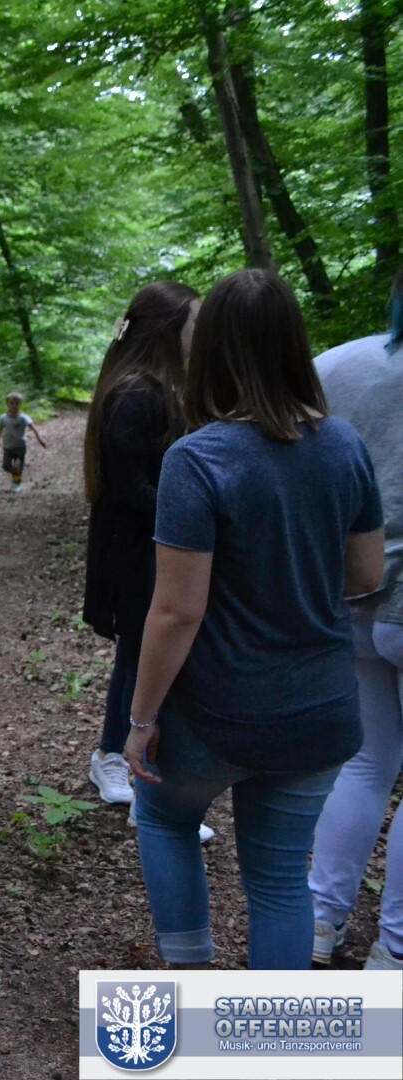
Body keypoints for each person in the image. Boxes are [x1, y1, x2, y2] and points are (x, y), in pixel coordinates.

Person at [125, 269, 384, 969]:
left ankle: (190, 987)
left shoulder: (197, 459)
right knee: (278, 881)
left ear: (209, 348)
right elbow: (366, 575)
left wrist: (141, 720)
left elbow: (177, 610)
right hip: (319, 711)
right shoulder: (345, 446)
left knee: (163, 819)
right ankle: (270, 1026)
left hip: (219, 712)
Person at [81, 282, 216, 843]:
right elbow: (130, 484)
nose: (201, 333)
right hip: (139, 552)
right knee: (154, 659)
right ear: (168, 329)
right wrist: (192, 520)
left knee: (138, 656)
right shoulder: (138, 393)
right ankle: (151, 790)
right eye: (194, 322)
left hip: (142, 546)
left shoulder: (155, 387)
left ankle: (114, 756)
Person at [308, 266, 403, 972]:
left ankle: (319, 921)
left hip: (349, 588)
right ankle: (394, 952)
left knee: (364, 763)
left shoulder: (335, 366)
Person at [0, 392, 46, 490]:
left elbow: (33, 428)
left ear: (20, 405)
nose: (14, 406)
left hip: (20, 447)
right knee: (6, 466)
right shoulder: (3, 418)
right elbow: (0, 429)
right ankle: (16, 475)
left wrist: (40, 439)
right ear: (7, 404)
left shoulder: (23, 418)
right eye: (11, 403)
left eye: (17, 403)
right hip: (8, 446)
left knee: (18, 466)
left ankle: (16, 484)